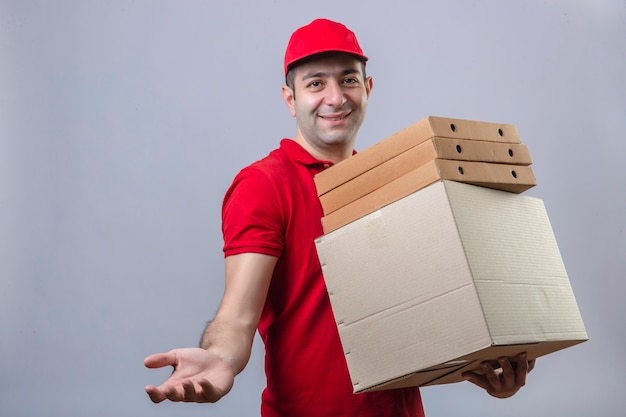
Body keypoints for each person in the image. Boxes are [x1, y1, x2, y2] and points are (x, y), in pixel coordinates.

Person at [144, 18, 535, 416]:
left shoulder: (393, 181)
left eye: (348, 80)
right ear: (290, 99)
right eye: (315, 83)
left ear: (367, 89)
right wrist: (220, 359)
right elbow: (237, 317)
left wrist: (487, 362)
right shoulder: (263, 185)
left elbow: (427, 305)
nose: (335, 98)